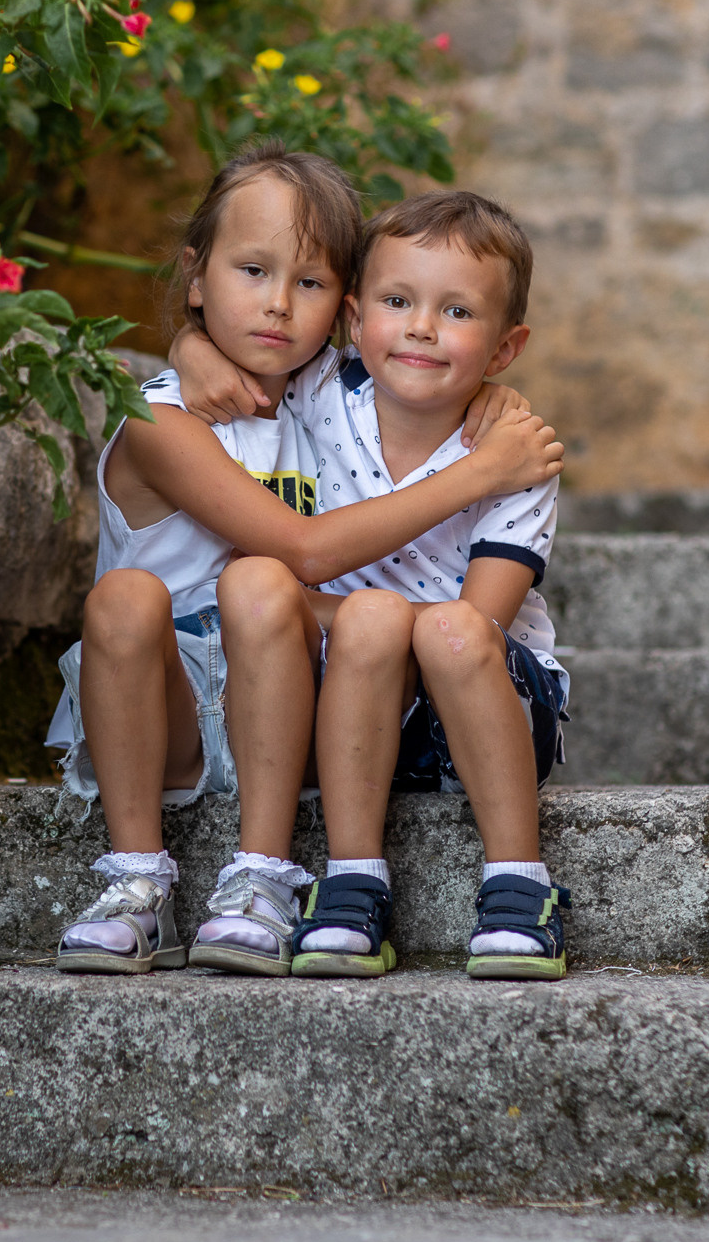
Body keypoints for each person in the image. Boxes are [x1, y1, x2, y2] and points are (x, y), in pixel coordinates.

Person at [49, 146, 564, 977]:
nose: (278, 306)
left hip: (291, 687)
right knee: (125, 597)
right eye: (252, 270)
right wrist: (187, 344)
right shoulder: (160, 419)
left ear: (343, 310)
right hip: (166, 707)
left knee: (258, 587)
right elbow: (305, 551)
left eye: (312, 284)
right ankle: (139, 883)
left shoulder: (311, 393)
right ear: (197, 274)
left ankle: (263, 874)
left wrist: (494, 403)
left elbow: (423, 360)